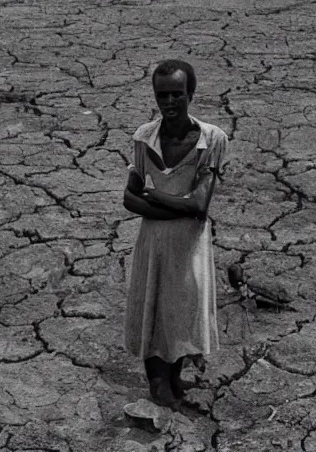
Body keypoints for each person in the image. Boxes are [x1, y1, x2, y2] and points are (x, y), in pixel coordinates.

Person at [122, 59, 228, 407]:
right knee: (153, 307)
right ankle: (157, 382)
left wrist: (154, 195)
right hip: (154, 240)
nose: (169, 103)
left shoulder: (212, 139)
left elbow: (200, 206)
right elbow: (129, 197)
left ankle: (175, 376)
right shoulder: (144, 136)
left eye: (177, 95)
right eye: (162, 95)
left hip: (190, 244)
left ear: (191, 95)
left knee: (182, 309)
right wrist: (174, 206)